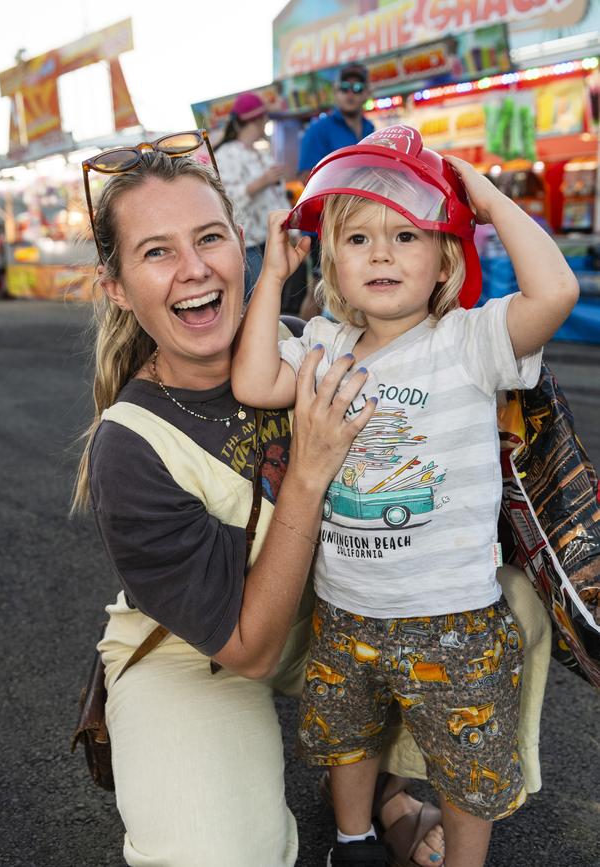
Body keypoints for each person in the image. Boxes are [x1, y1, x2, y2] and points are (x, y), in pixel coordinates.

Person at [71, 139, 462, 867]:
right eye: (156, 252)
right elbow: (248, 647)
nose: (194, 269)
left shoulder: (303, 346)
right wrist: (309, 473)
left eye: (209, 237)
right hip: (200, 649)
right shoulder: (128, 445)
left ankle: (388, 786)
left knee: (495, 597)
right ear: (117, 285)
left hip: (347, 617)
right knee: (214, 854)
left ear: (243, 243)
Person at [231, 124, 578, 867]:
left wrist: (486, 198)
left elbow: (557, 291)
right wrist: (273, 275)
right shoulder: (321, 340)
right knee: (344, 736)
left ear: (447, 256)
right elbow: (255, 381)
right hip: (345, 607)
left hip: (454, 619)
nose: (382, 253)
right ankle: (354, 841)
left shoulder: (470, 342)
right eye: (357, 239)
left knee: (468, 765)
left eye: (409, 235)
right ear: (331, 258)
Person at [297, 62, 376, 321]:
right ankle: (302, 338)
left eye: (356, 87)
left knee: (354, 283)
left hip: (360, 222)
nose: (350, 93)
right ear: (335, 92)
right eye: (344, 87)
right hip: (325, 224)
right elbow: (304, 175)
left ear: (366, 92)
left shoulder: (370, 129)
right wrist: (346, 192)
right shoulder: (319, 129)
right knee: (318, 289)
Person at [215, 91, 290, 299]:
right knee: (259, 301)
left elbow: (277, 196)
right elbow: (226, 201)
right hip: (249, 243)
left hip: (273, 238)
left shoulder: (260, 153)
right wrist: (262, 181)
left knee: (279, 300)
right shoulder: (227, 154)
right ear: (257, 120)